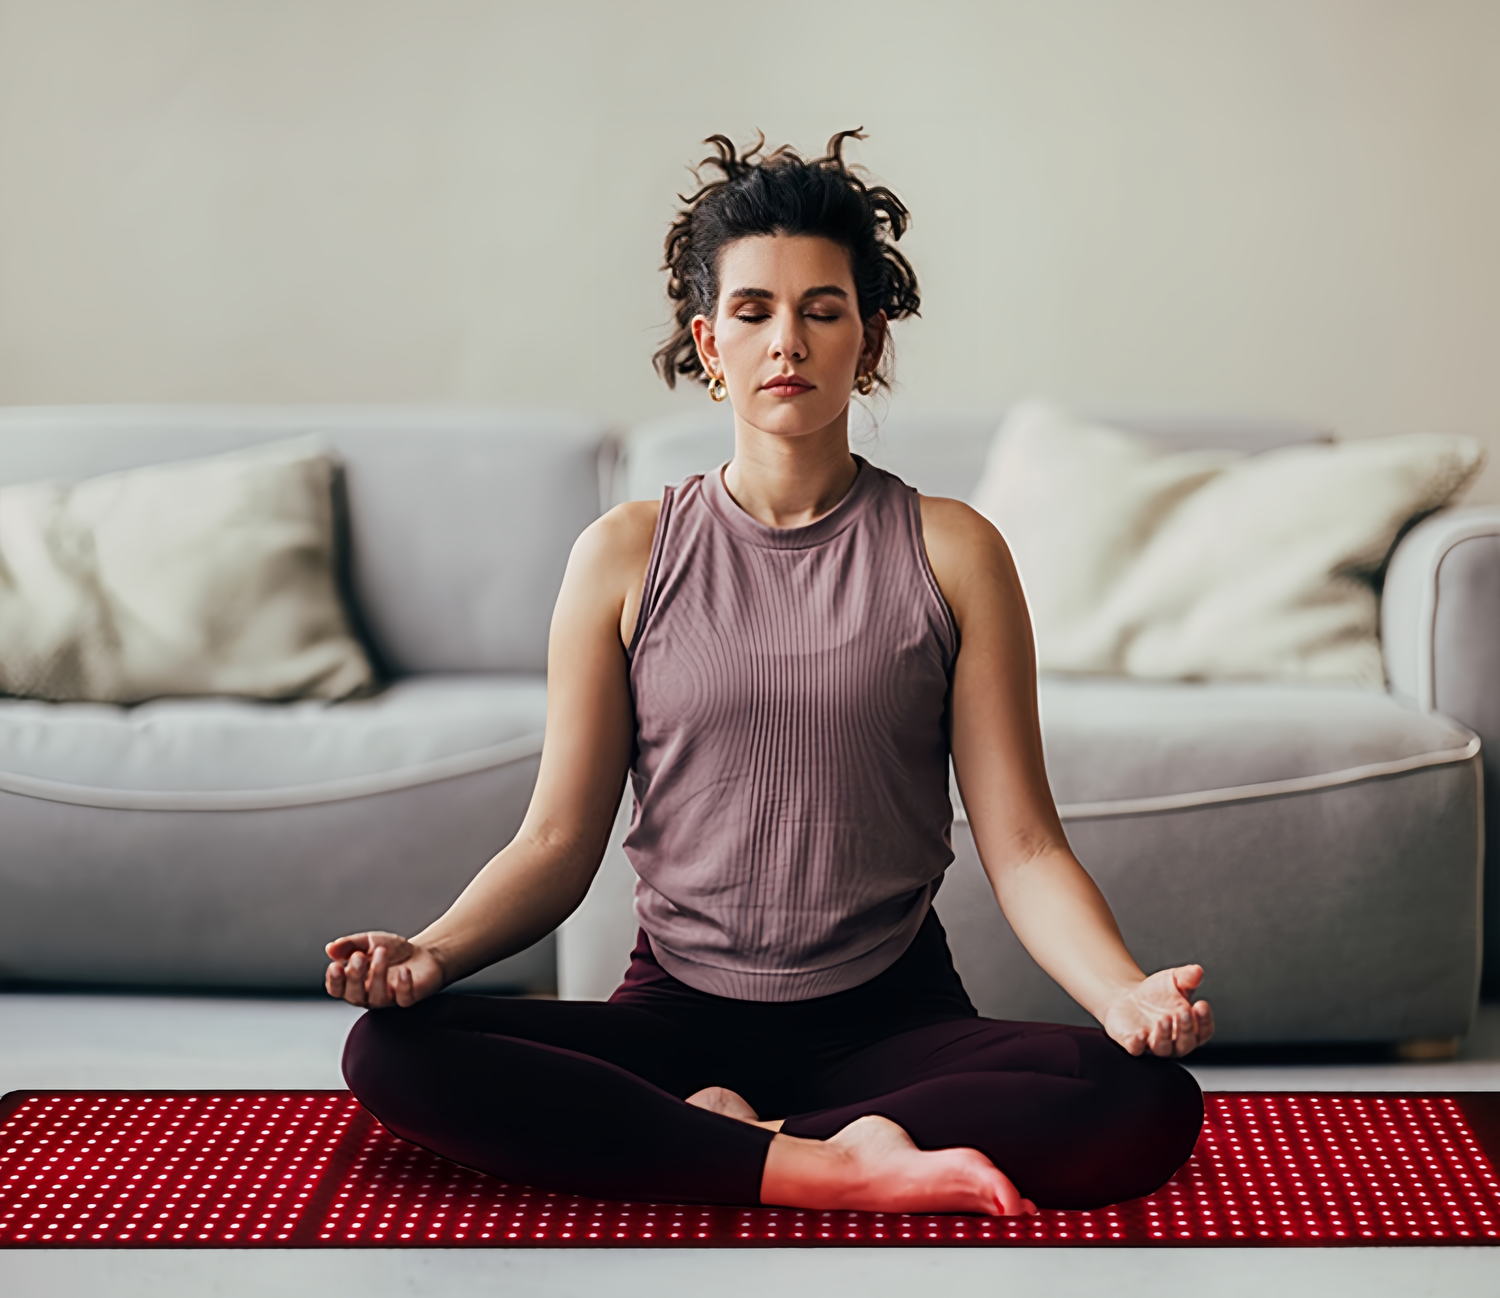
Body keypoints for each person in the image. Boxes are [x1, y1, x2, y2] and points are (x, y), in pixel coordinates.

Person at [326, 131, 1212, 1217]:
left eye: (822, 310)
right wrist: (430, 952)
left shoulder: (956, 551)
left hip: (893, 1024)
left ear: (868, 342)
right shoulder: (623, 553)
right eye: (752, 312)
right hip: (674, 1018)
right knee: (390, 1052)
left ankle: (731, 1144)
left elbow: (1024, 848)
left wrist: (1123, 993)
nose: (785, 340)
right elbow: (556, 845)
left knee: (1143, 1102)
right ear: (709, 343)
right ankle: (834, 1164)